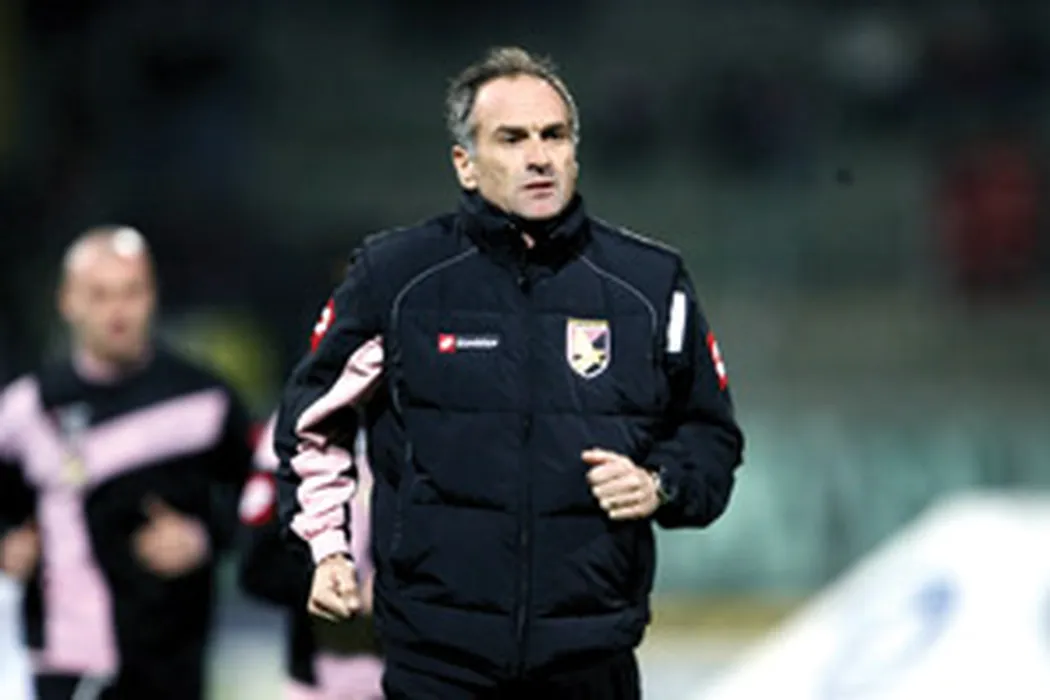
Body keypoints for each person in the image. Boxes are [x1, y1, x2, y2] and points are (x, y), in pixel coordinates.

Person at [273, 46, 745, 699]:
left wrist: (658, 483)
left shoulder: (649, 284)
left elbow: (710, 436)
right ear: (465, 164)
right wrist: (327, 548)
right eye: (512, 138)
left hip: (591, 660)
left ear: (576, 151)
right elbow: (312, 423)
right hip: (437, 663)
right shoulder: (395, 278)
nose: (539, 156)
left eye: (555, 135)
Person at [0, 225, 254, 699]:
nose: (117, 312)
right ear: (67, 301)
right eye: (99, 295)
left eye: (131, 292)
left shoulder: (203, 400)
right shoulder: (27, 408)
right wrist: (9, 544)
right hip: (63, 660)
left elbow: (263, 500)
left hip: (171, 660)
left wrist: (205, 537)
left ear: (152, 295)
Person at [238, 413, 383, 699]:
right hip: (320, 673)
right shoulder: (298, 420)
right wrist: (336, 582)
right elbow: (257, 565)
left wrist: (401, 586)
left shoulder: (434, 411)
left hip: (429, 670)